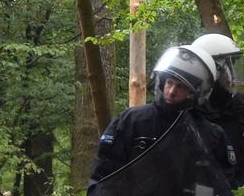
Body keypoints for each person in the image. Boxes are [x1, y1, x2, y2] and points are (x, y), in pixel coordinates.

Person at [87, 44, 233, 195]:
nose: (171, 92)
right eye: (169, 82)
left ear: (195, 92)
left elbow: (220, 184)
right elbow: (103, 172)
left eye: (181, 87)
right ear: (162, 82)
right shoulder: (131, 121)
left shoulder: (209, 135)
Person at [191, 31, 244, 187]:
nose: (232, 77)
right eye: (228, 68)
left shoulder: (242, 113)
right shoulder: (188, 116)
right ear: (210, 72)